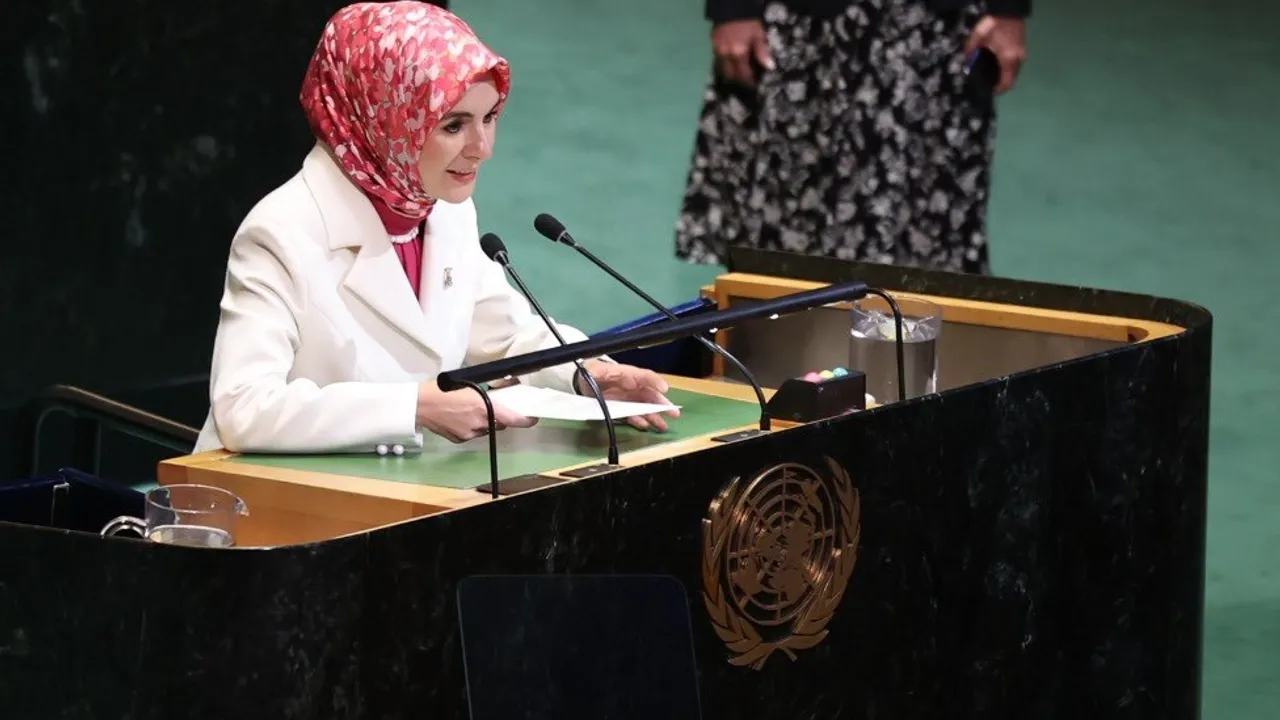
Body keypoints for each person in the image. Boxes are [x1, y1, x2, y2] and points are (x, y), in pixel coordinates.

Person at [194, 1, 677, 455]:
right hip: (274, 499)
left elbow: (506, 337)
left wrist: (587, 372)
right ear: (384, 119)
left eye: (490, 117)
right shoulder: (281, 231)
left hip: (398, 490)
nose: (482, 147)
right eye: (453, 126)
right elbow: (243, 407)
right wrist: (414, 408)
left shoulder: (444, 210)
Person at [674, 0, 1029, 274]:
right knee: (776, 251)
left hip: (935, 34)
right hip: (798, 27)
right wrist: (733, 7)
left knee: (930, 257)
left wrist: (1008, 9)